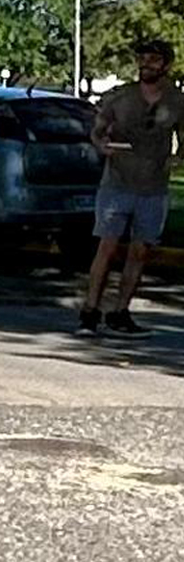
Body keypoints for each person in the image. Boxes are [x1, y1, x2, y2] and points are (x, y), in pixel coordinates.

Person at [78, 36, 184, 337]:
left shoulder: (176, 100)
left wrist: (177, 158)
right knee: (107, 247)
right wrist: (102, 145)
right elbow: (97, 130)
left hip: (154, 188)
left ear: (166, 64)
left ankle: (120, 312)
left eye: (153, 59)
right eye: (142, 58)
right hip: (117, 184)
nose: (145, 64)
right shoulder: (121, 97)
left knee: (140, 251)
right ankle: (89, 311)